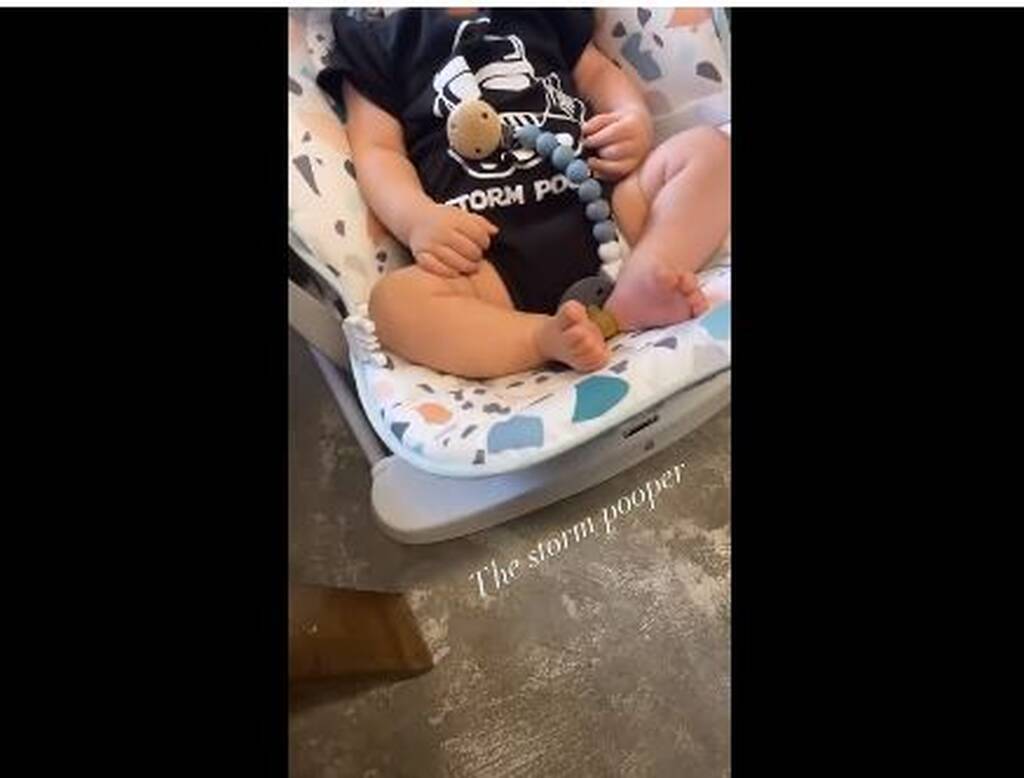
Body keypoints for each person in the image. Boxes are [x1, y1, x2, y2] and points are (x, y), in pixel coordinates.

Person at [318, 8, 730, 378]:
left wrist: (631, 116)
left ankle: (648, 273)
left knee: (710, 151)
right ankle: (538, 338)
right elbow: (377, 149)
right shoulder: (381, 37)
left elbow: (597, 74)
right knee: (393, 305)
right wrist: (416, 219)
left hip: (608, 212)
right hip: (490, 260)